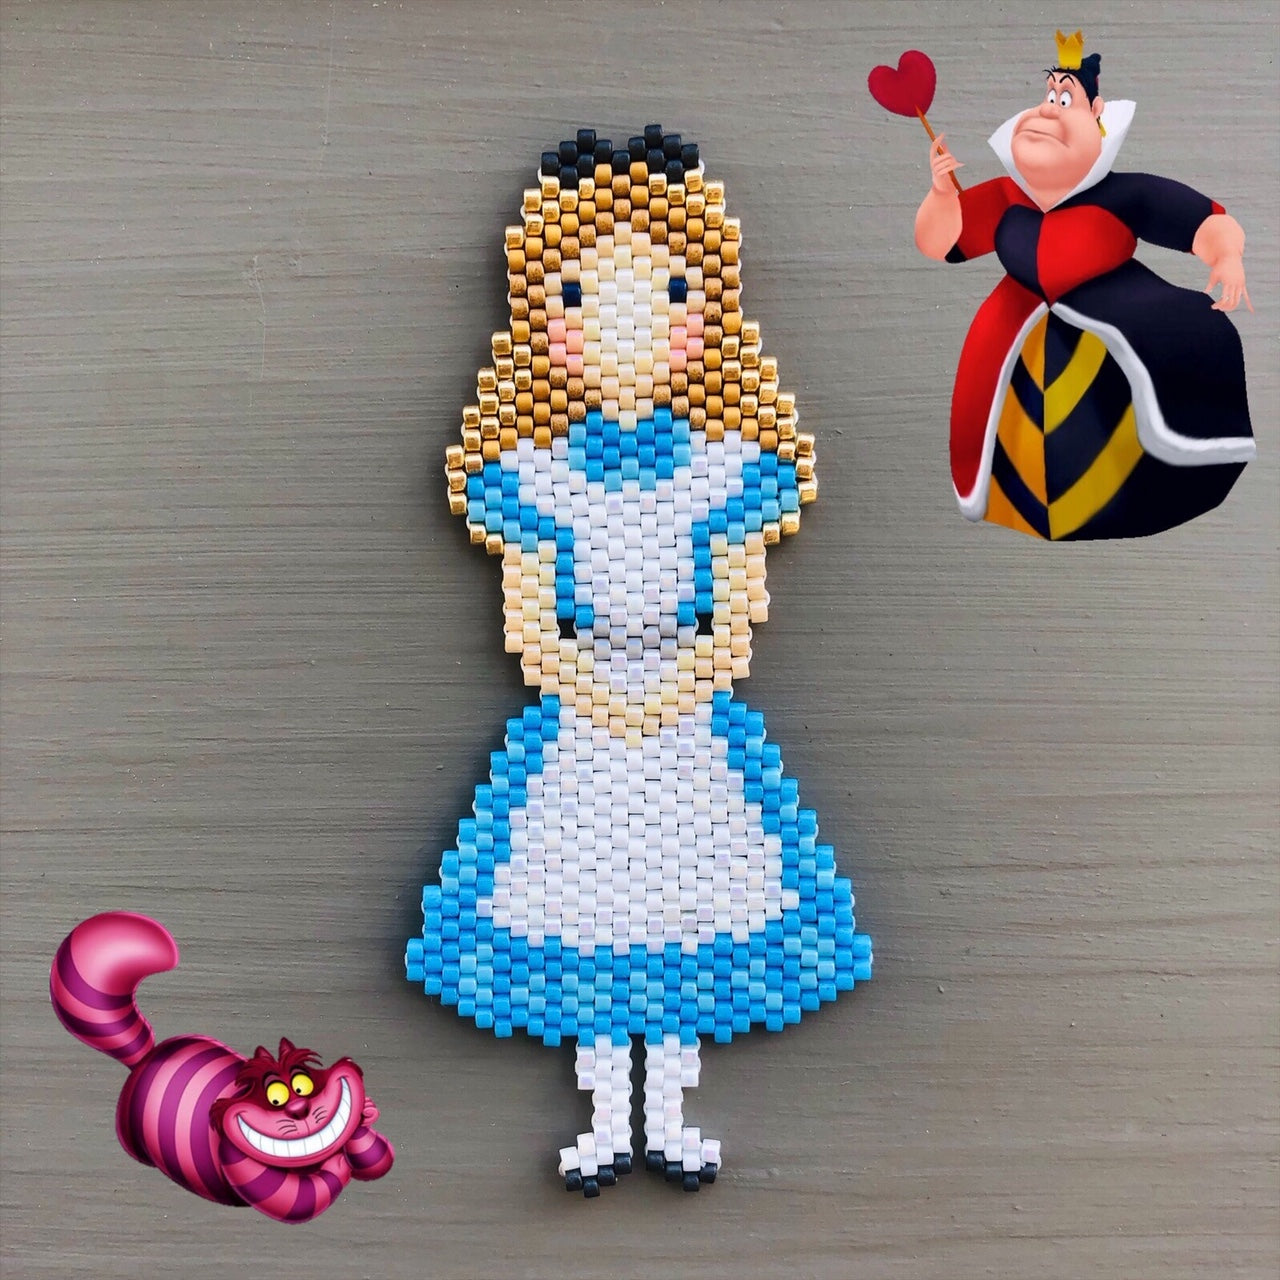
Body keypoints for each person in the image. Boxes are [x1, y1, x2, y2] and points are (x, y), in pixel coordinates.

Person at [916, 31, 1255, 540]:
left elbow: (1196, 219)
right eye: (1047, 95)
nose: (1046, 109)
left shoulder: (1121, 192)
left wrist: (1226, 254)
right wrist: (942, 195)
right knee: (980, 410)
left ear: (1096, 114)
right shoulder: (1007, 197)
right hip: (1013, 324)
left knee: (1194, 339)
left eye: (1064, 98)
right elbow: (944, 243)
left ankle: (1170, 472)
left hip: (1120, 310)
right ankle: (1014, 495)